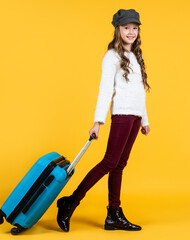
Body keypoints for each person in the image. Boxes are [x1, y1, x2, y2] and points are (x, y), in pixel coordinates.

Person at [57, 9, 151, 232]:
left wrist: (144, 120)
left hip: (135, 118)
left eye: (134, 28)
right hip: (121, 115)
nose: (131, 32)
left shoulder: (136, 57)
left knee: (119, 165)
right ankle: (71, 202)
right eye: (126, 27)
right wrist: (97, 121)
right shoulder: (111, 56)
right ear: (118, 29)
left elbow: (139, 92)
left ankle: (113, 215)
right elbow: (105, 89)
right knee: (109, 162)